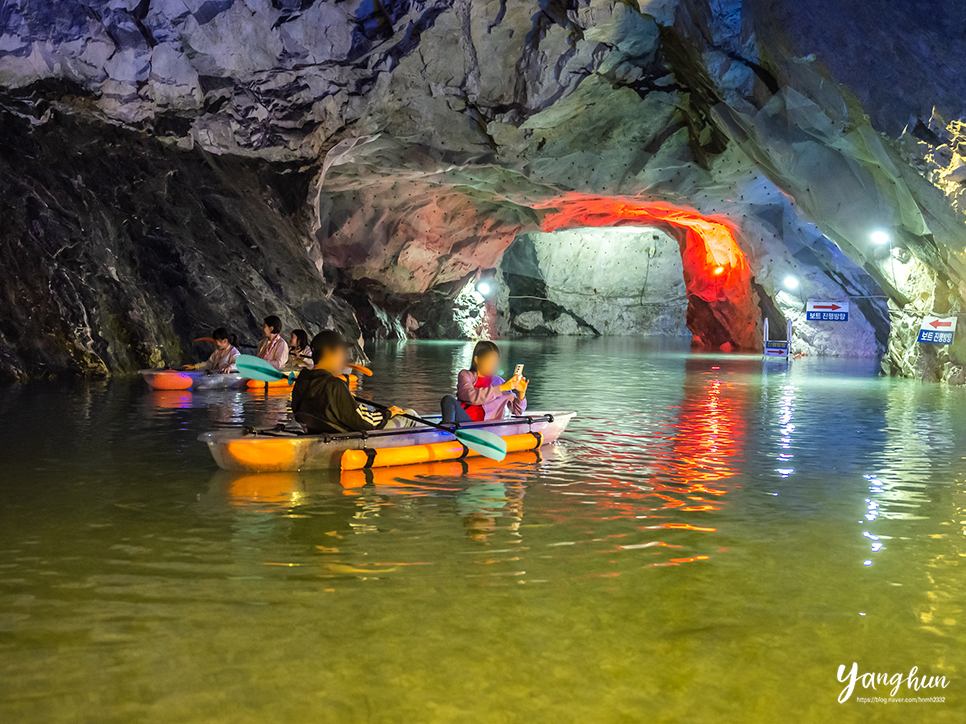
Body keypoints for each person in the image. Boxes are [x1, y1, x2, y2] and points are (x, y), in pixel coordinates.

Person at [291, 331, 416, 434]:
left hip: (319, 433)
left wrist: (346, 399)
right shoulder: (334, 385)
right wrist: (387, 413)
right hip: (349, 439)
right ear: (329, 352)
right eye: (341, 353)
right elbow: (362, 422)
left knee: (369, 408)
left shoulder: (302, 379)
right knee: (410, 414)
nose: (344, 358)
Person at [442, 340, 528, 423]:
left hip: (487, 426)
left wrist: (521, 393)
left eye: (495, 362)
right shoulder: (466, 375)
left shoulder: (499, 382)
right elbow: (470, 397)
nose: (493, 365)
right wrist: (501, 388)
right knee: (448, 400)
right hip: (465, 422)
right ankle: (448, 432)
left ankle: (448, 430)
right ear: (477, 360)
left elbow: (517, 411)